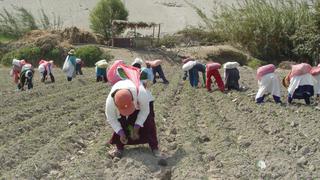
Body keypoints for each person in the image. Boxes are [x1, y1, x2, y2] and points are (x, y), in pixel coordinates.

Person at [105, 79, 160, 158]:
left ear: (133, 100)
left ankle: (154, 147)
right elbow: (112, 119)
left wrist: (137, 127)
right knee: (121, 121)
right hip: (127, 101)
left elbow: (145, 111)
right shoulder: (110, 103)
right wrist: (121, 133)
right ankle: (119, 147)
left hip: (141, 101)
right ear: (116, 104)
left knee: (149, 121)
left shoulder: (141, 93)